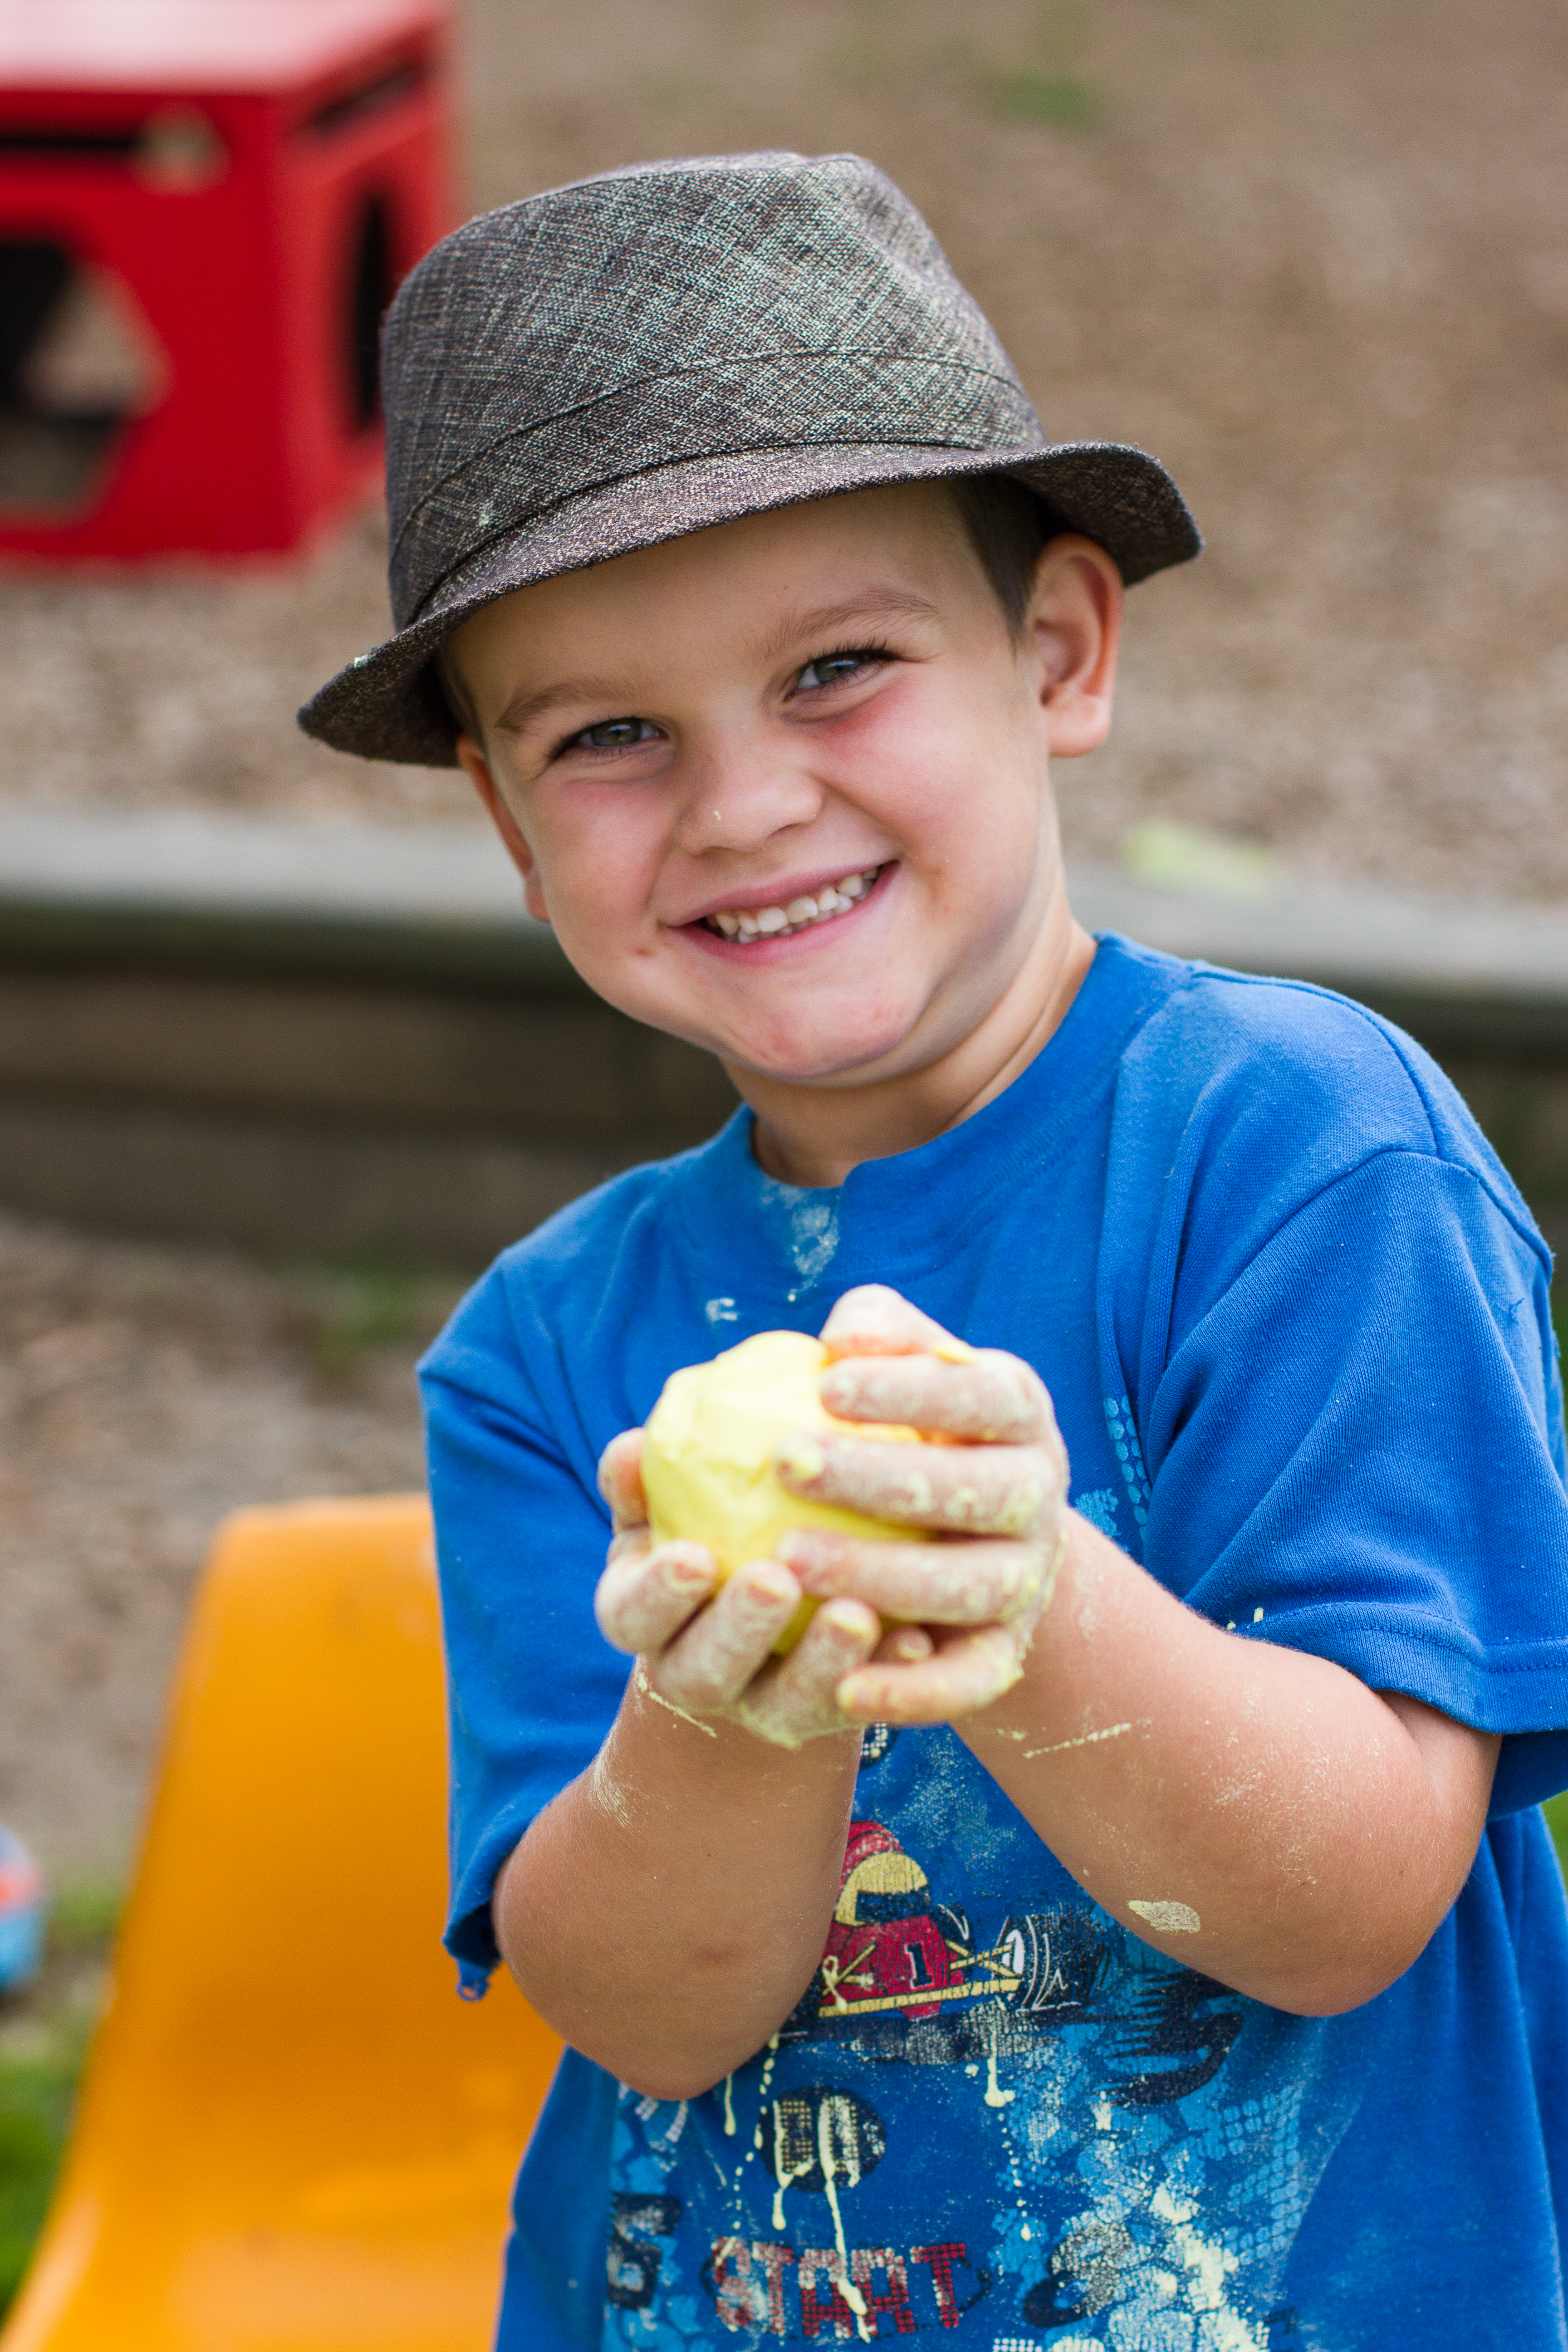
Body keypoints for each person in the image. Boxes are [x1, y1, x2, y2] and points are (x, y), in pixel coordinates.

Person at [301, 152, 1568, 2351]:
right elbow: (648, 2017)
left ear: (1058, 653)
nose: (742, 802)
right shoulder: (541, 1353)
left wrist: (1028, 1587)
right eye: (608, 736)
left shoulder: (1296, 1157)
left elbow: (1354, 1894)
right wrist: (728, 1706)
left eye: (837, 668)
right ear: (510, 830)